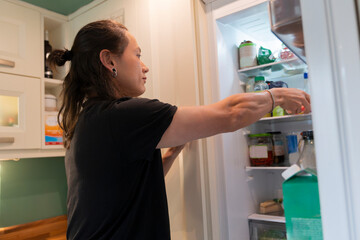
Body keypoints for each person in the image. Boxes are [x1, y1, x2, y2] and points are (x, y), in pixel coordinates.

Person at [48, 20, 311, 240]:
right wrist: (277, 96)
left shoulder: (88, 119)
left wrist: (169, 156)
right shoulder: (122, 115)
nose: (145, 65)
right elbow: (232, 114)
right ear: (109, 60)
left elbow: (124, 183)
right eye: (137, 55)